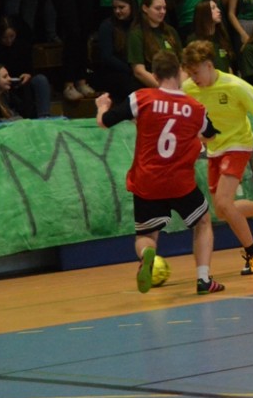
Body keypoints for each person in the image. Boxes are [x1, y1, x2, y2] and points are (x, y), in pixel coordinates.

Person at [96, 51, 225, 295]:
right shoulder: (195, 108)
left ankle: (147, 254)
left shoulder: (141, 98)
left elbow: (105, 122)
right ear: (179, 72)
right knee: (202, 222)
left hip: (147, 181)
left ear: (154, 75)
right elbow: (209, 135)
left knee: (146, 235)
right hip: (180, 182)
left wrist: (102, 107)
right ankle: (203, 279)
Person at [181, 40, 253, 274]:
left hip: (238, 145)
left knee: (225, 203)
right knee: (221, 210)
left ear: (209, 65)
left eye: (196, 72)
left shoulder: (235, 86)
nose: (193, 78)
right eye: (190, 73)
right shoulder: (188, 88)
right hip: (214, 148)